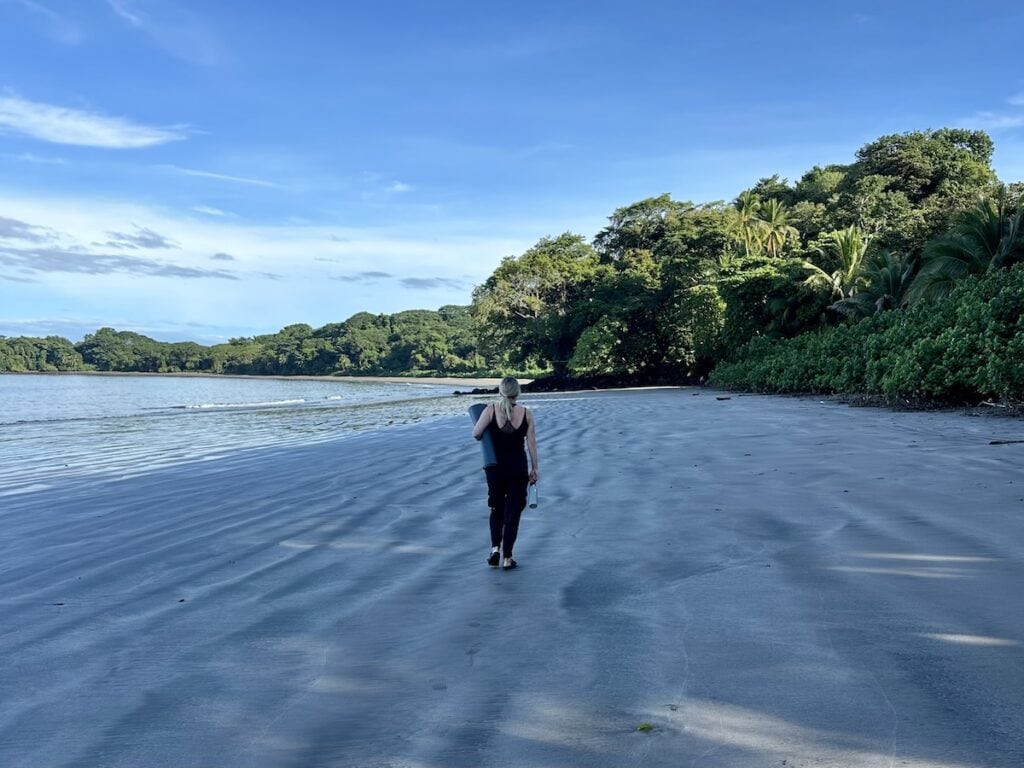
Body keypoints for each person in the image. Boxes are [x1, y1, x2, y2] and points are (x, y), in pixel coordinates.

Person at [472, 376, 539, 570]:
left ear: (500, 391)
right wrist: (535, 468)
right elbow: (532, 444)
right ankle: (508, 558)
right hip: (517, 468)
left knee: (496, 509)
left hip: (494, 469)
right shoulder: (526, 413)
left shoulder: (491, 409)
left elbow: (476, 434)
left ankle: (495, 550)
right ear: (517, 393)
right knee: (513, 513)